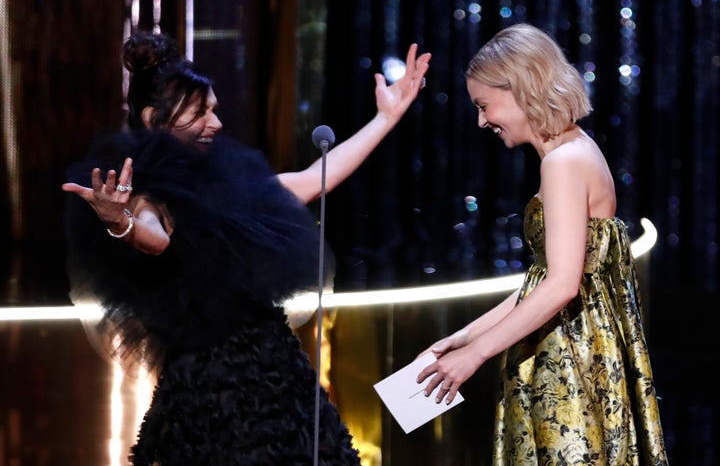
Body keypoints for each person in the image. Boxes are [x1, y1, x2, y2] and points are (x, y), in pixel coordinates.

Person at [62, 31, 430, 465]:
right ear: (153, 118)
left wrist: (386, 118)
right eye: (201, 112)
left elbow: (313, 180)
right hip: (210, 394)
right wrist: (117, 221)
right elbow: (154, 238)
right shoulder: (148, 196)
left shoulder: (232, 181)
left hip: (280, 377)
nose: (216, 123)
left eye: (214, 110)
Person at [416, 23, 667, 465]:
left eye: (484, 105)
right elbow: (545, 280)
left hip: (568, 361)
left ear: (519, 88)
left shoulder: (564, 163)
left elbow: (562, 286)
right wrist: (464, 335)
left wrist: (474, 355)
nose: (481, 120)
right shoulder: (576, 151)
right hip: (578, 347)